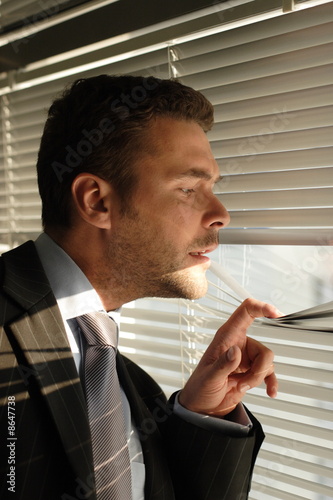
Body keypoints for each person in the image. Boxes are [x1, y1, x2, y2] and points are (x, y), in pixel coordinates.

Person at [0, 75, 279, 500]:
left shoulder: (130, 385)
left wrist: (207, 413)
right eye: (188, 188)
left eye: (211, 189)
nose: (221, 213)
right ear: (97, 201)